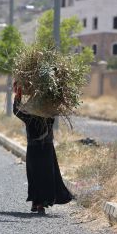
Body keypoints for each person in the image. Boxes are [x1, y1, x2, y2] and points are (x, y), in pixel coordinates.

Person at [13, 82, 72, 214]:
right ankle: (38, 203)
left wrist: (18, 95)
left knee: (36, 175)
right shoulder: (48, 113)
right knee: (43, 175)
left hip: (38, 147)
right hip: (44, 147)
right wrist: (18, 93)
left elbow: (16, 110)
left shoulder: (32, 115)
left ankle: (38, 202)